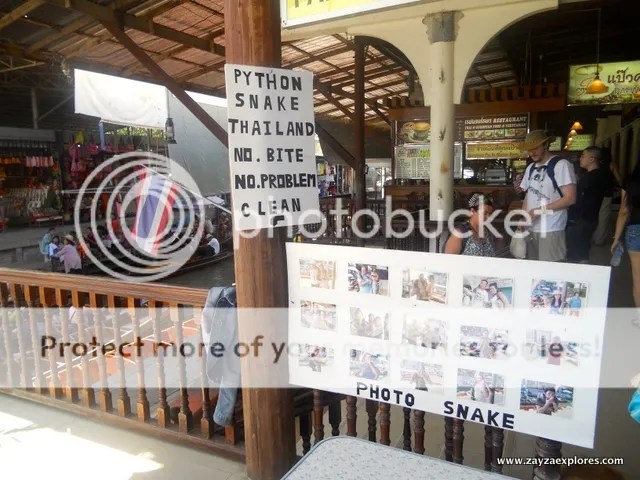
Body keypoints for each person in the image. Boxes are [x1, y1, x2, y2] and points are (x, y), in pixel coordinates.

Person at [520, 130, 576, 262]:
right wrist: (523, 217)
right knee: (533, 267)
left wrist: (540, 211)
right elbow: (528, 195)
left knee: (550, 269)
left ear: (546, 145)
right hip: (532, 227)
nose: (532, 152)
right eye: (529, 149)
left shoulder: (561, 165)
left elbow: (570, 198)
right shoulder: (530, 168)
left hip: (552, 227)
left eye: (536, 148)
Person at [567, 146, 609, 263]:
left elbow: (583, 198)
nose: (580, 159)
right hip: (587, 218)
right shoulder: (594, 175)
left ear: (592, 159)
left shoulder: (593, 177)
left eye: (583, 156)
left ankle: (580, 270)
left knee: (579, 252)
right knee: (580, 248)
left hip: (583, 218)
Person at [612, 161, 640, 308]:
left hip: (636, 230)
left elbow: (624, 211)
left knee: (638, 279)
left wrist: (616, 238)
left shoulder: (631, 181)